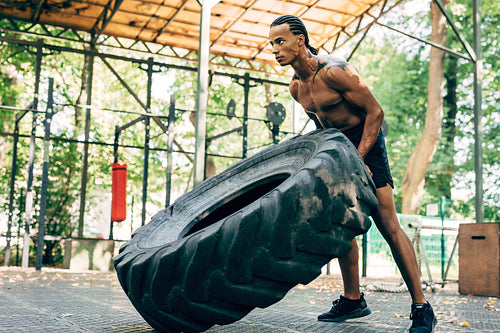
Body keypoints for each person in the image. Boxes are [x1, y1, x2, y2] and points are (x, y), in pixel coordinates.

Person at [269, 15, 437, 333]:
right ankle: (353, 298)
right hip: (339, 150)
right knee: (342, 226)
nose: (275, 49)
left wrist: (359, 158)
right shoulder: (296, 89)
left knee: (388, 224)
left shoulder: (335, 70)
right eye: (272, 43)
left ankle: (421, 306)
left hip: (367, 142)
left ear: (300, 40)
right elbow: (322, 125)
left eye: (280, 41)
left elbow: (375, 112)